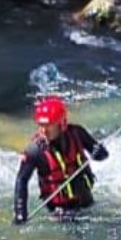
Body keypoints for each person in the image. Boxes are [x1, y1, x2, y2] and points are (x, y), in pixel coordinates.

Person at [12, 96, 107, 224]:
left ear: (61, 124)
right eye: (41, 125)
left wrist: (100, 152)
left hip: (85, 200)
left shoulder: (77, 133)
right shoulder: (35, 150)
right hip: (59, 210)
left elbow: (102, 156)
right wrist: (20, 213)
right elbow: (21, 180)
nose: (44, 131)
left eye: (49, 126)